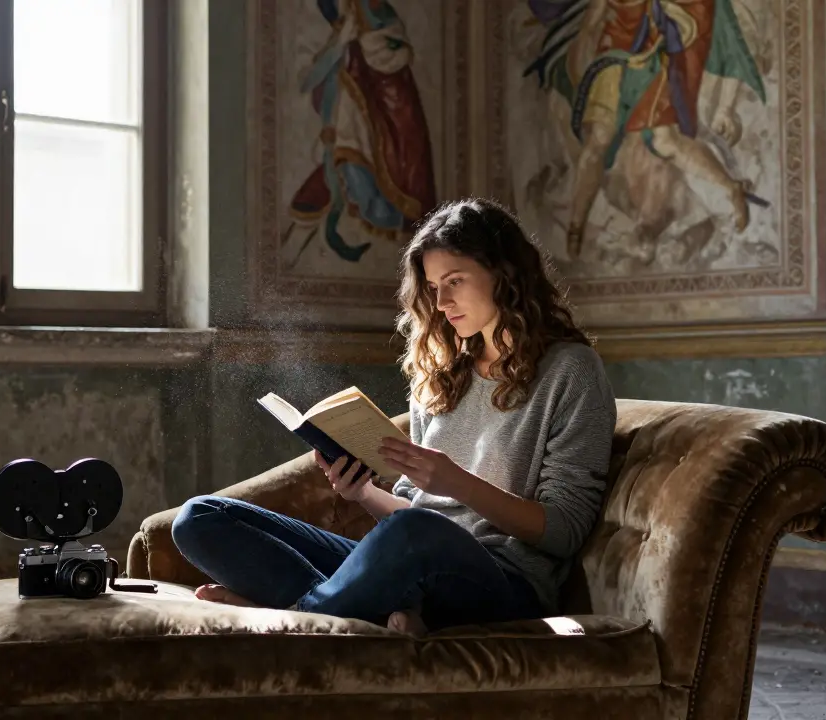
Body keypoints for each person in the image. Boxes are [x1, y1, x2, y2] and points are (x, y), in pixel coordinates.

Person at [171, 198, 617, 636]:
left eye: (455, 281)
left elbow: (564, 530)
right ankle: (360, 613)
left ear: (505, 273)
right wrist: (362, 491)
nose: (441, 301)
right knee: (200, 518)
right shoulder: (443, 370)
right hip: (414, 559)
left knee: (418, 531)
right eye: (433, 286)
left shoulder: (570, 370)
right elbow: (408, 511)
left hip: (503, 583)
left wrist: (456, 482)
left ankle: (293, 623)